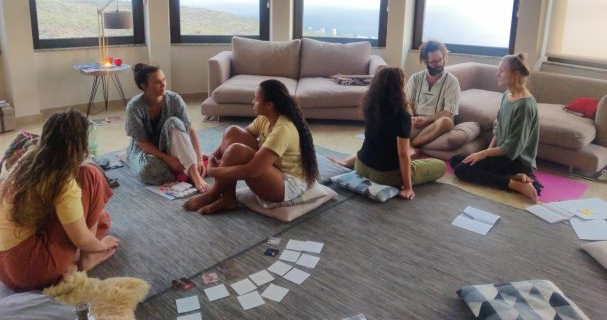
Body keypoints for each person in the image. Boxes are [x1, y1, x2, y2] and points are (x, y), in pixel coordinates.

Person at [0, 110, 118, 290]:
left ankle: (67, 263)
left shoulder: (29, 160)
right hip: (29, 267)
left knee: (102, 220)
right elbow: (82, 240)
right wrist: (101, 246)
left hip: (4, 270)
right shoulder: (62, 180)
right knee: (91, 175)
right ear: (76, 147)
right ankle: (85, 260)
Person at [184, 79, 318, 214]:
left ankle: (213, 194)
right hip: (273, 169)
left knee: (236, 150)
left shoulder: (283, 129)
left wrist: (214, 171)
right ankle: (228, 197)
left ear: (269, 105)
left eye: (256, 99)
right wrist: (213, 156)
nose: (253, 102)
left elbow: (251, 171)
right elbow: (235, 137)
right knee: (232, 132)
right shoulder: (265, 118)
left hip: (288, 185)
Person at [327, 67, 446, 200]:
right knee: (440, 166)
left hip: (360, 166)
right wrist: (408, 187)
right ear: (399, 87)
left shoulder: (370, 105)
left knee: (378, 144)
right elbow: (402, 155)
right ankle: (409, 169)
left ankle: (345, 162)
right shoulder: (402, 115)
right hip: (385, 175)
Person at [451, 53, 540, 203]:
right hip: (502, 155)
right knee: (456, 160)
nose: (497, 74)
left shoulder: (525, 105)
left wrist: (484, 154)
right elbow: (498, 130)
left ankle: (516, 184)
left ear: (515, 74)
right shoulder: (507, 95)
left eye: (502, 71)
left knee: (461, 169)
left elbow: (512, 148)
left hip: (517, 160)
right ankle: (512, 177)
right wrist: (485, 153)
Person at [125, 63, 208, 191]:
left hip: (172, 144)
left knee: (174, 122)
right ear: (144, 86)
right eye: (157, 82)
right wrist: (167, 159)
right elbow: (142, 142)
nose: (163, 84)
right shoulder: (134, 107)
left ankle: (194, 173)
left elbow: (190, 130)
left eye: (164, 80)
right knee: (148, 172)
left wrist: (200, 159)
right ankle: (185, 163)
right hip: (146, 150)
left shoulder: (174, 99)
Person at [405, 40, 461, 148]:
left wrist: (427, 120)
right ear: (425, 61)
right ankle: (412, 144)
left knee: (446, 122)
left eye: (440, 59)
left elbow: (449, 112)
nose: (439, 64)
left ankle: (413, 144)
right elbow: (408, 104)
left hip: (436, 125)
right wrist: (412, 118)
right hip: (416, 123)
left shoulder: (452, 81)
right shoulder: (415, 78)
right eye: (434, 62)